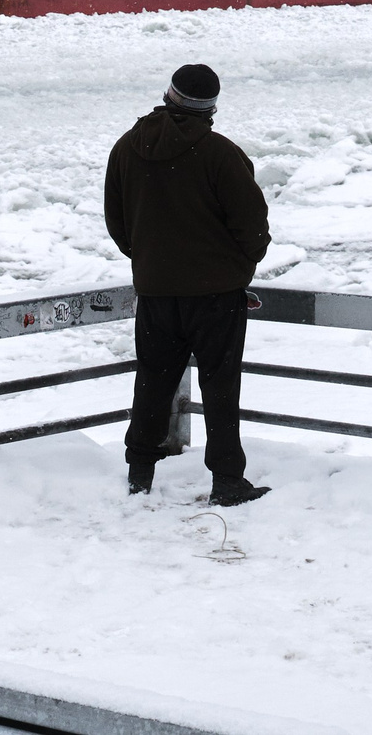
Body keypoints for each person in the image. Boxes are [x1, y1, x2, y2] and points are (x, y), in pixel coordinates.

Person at [104, 63, 272, 505]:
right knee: (219, 388)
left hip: (157, 294)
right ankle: (227, 482)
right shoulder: (220, 154)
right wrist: (237, 268)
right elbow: (253, 228)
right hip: (216, 296)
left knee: (153, 382)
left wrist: (154, 264)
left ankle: (140, 474)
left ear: (168, 95)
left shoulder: (126, 148)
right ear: (211, 108)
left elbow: (118, 224)